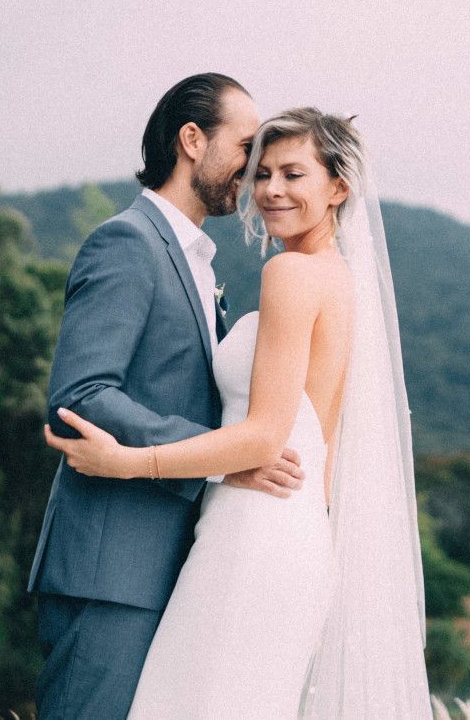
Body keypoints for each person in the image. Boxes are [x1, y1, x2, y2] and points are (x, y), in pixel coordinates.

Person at [47, 108, 432, 718]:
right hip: (292, 533)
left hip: (254, 534)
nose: (272, 189)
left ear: (338, 188)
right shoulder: (341, 280)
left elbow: (261, 438)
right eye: (265, 172)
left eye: (294, 174)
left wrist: (126, 461)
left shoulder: (291, 274)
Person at [26, 73, 306, 720]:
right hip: (109, 572)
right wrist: (218, 455)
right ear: (191, 139)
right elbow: (82, 393)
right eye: (246, 146)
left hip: (171, 571)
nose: (257, 166)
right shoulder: (127, 242)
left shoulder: (205, 268)